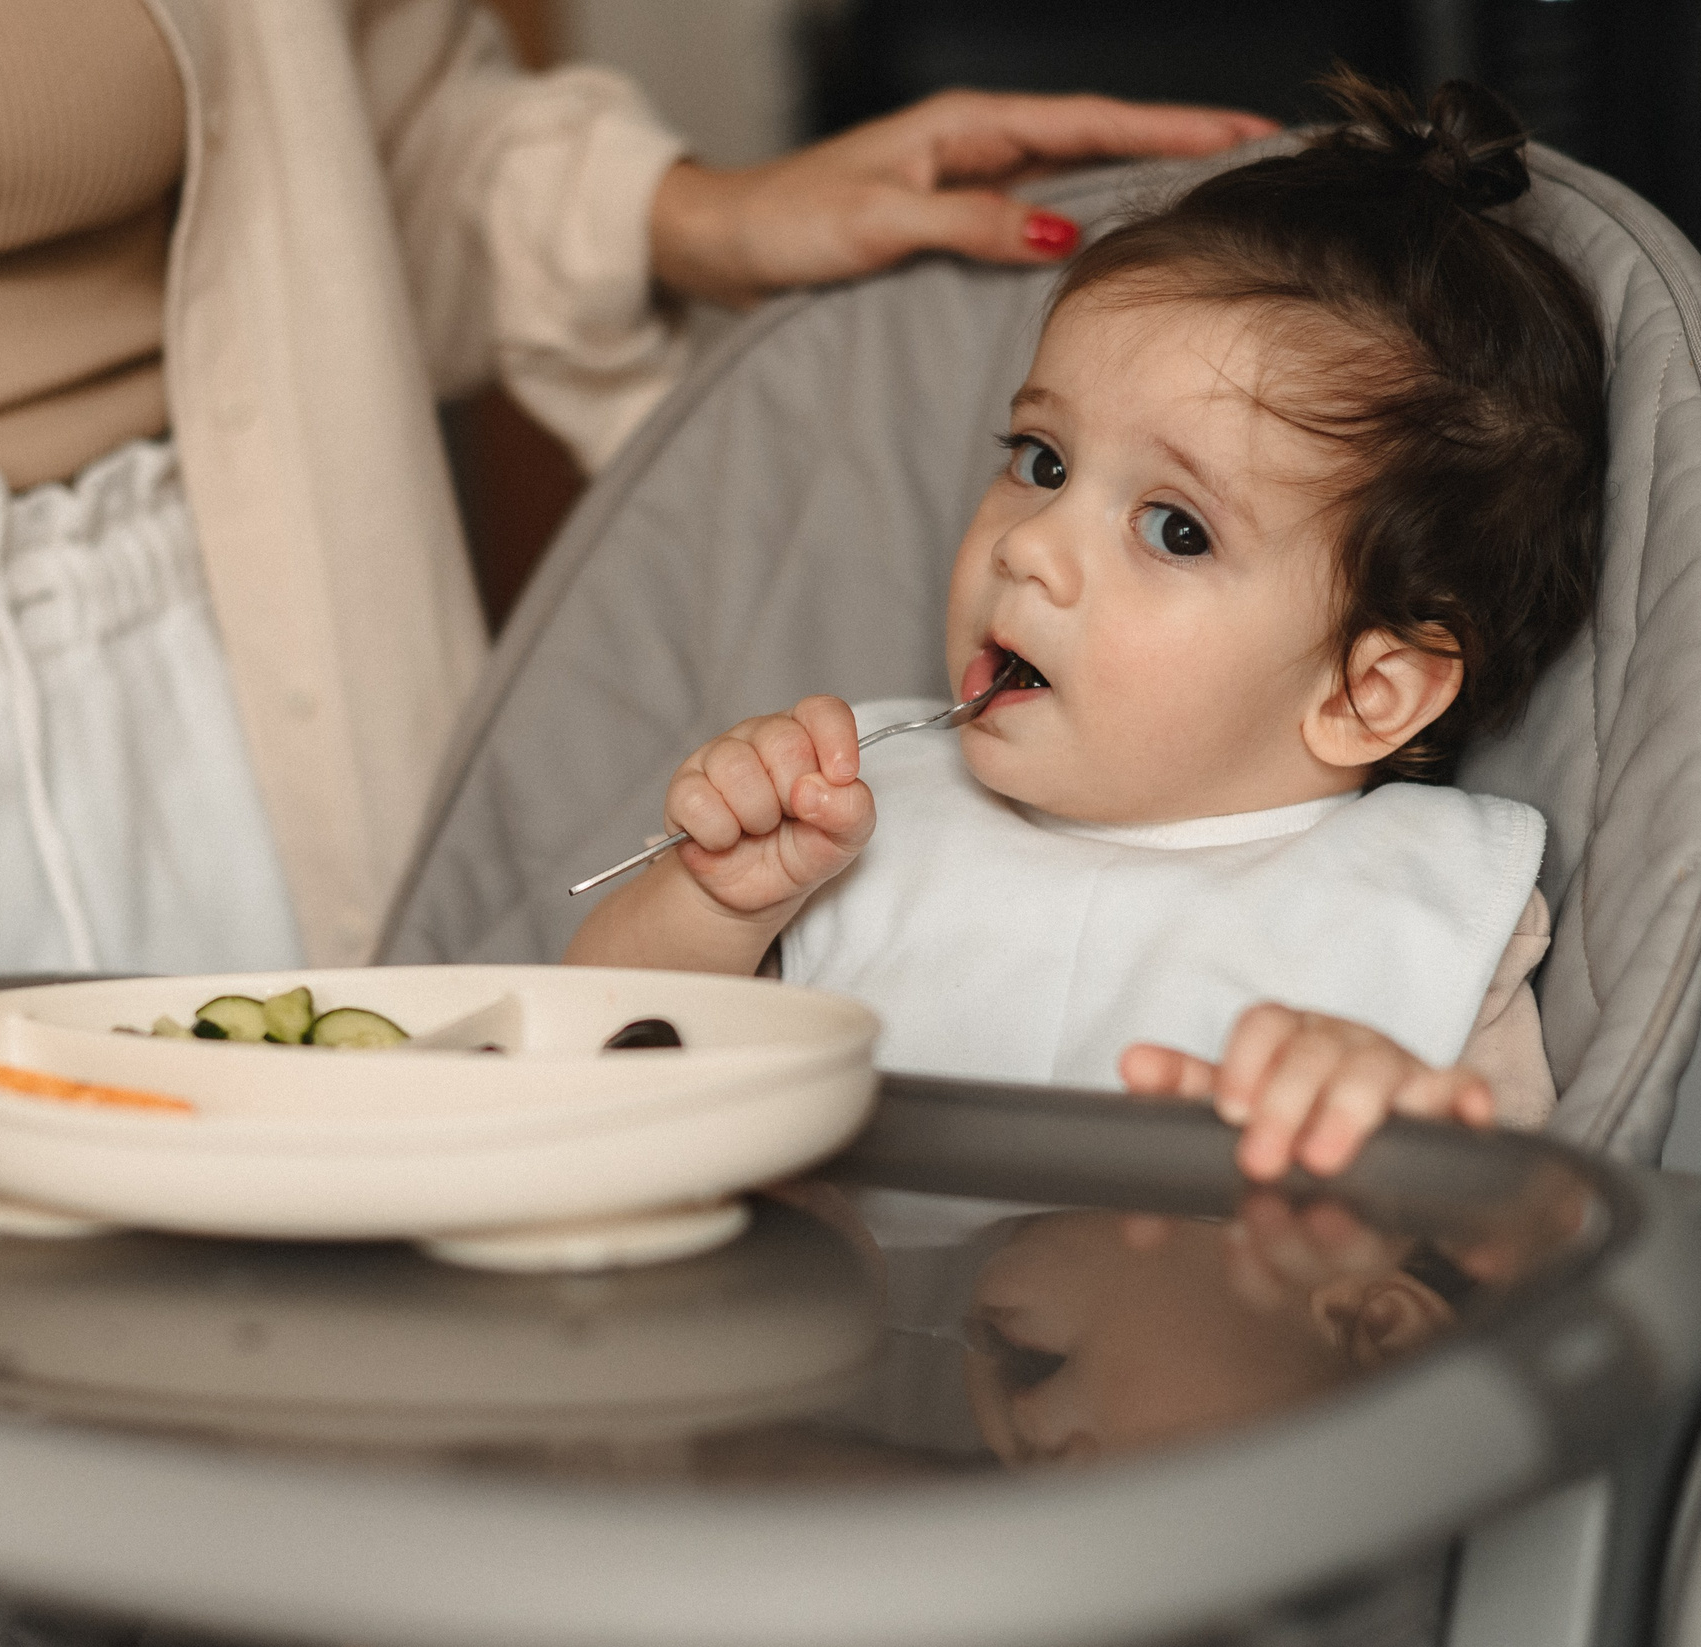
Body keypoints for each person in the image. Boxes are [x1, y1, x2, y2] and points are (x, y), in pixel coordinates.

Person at [0, 4, 1274, 1647]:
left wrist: (684, 212)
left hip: (232, 724)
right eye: (1029, 470)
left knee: (390, 1570)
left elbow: (365, 130)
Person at [566, 72, 1608, 1182]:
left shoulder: (1416, 917)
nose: (1032, 545)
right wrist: (711, 904)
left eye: (1172, 528)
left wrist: (1391, 1133)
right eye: (1041, 463)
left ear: (1367, 691)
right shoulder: (848, 827)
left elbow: (1521, 1270)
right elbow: (584, 1065)